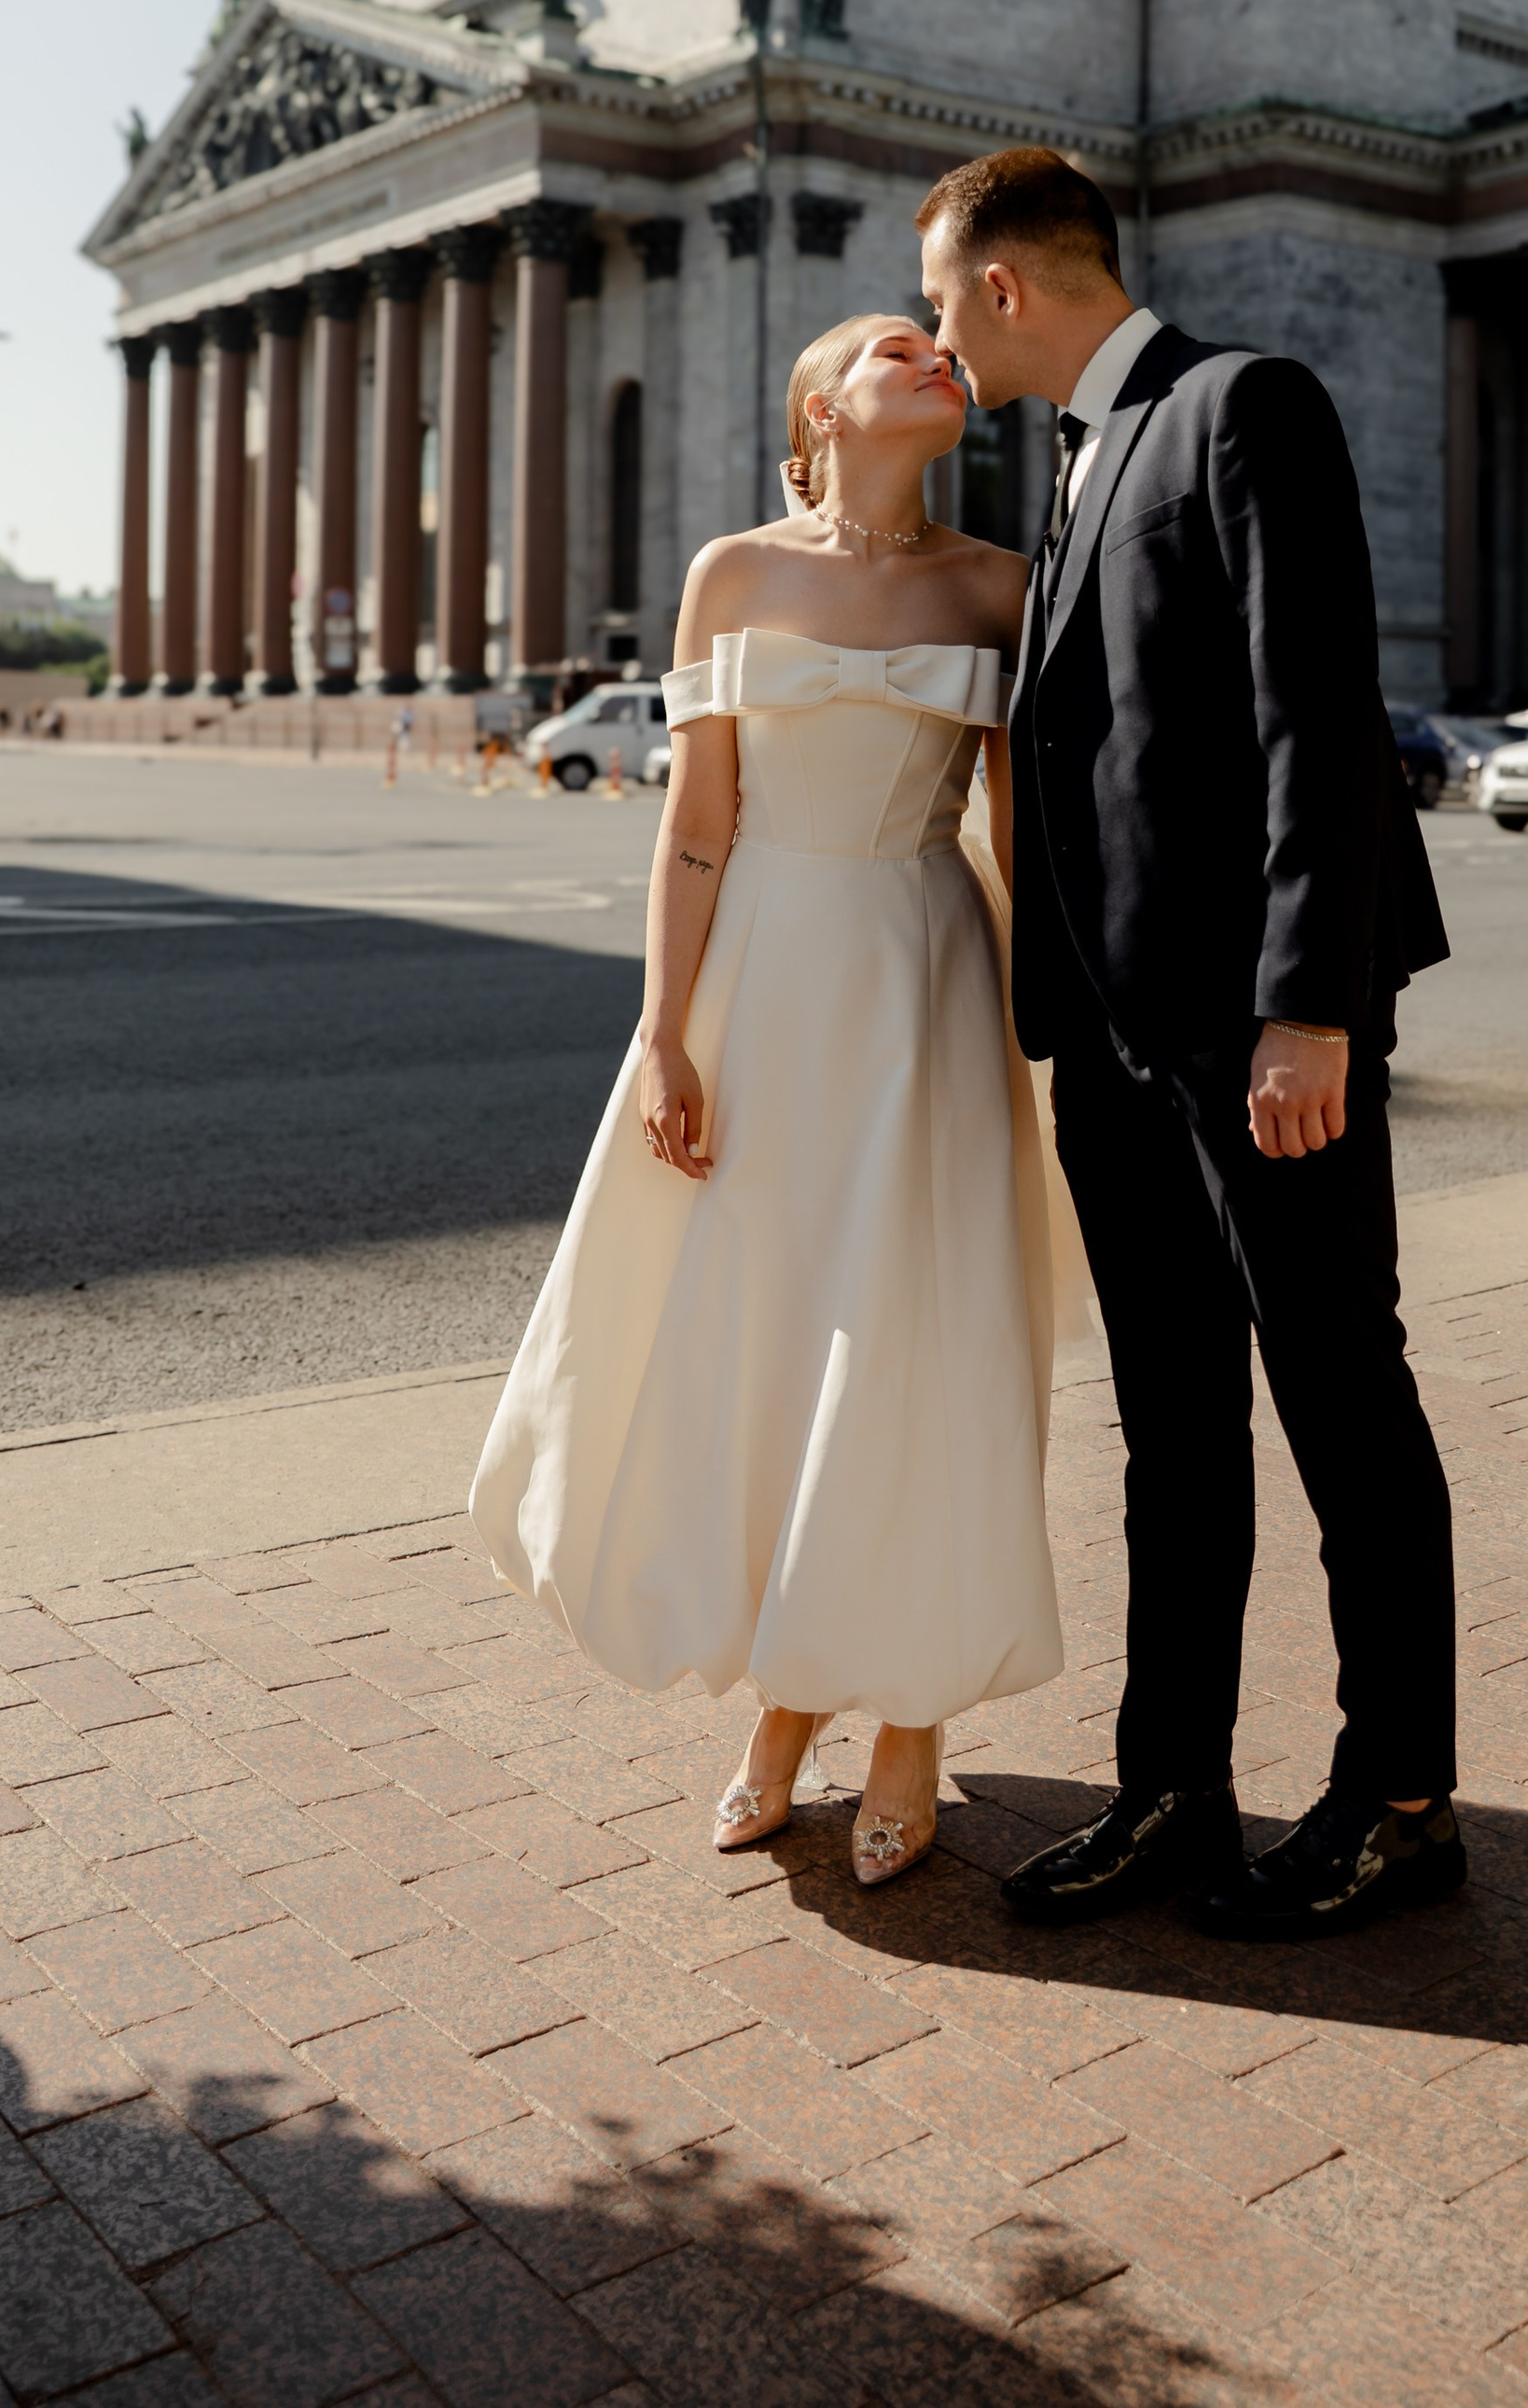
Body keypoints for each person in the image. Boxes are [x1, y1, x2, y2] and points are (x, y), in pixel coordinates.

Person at [918, 146, 1461, 1941]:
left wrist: (1311, 1005)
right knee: (1173, 1431)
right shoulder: (1073, 463)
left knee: (1337, 1398)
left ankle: (1397, 1799)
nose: (933, 332)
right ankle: (1174, 1785)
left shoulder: (1239, 405)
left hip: (1260, 1036)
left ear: (1005, 283)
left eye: (940, 297)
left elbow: (1318, 717)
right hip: (1122, 1051)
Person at [471, 314, 1078, 1887]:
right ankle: (787, 1700)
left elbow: (1022, 829)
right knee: (757, 1340)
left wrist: (1061, 1022)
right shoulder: (732, 573)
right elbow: (696, 822)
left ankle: (909, 1723)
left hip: (928, 981)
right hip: (759, 986)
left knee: (915, 1349)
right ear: (820, 400)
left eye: (942, 345)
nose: (935, 354)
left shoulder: (1000, 583)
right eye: (896, 343)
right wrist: (663, 1033)